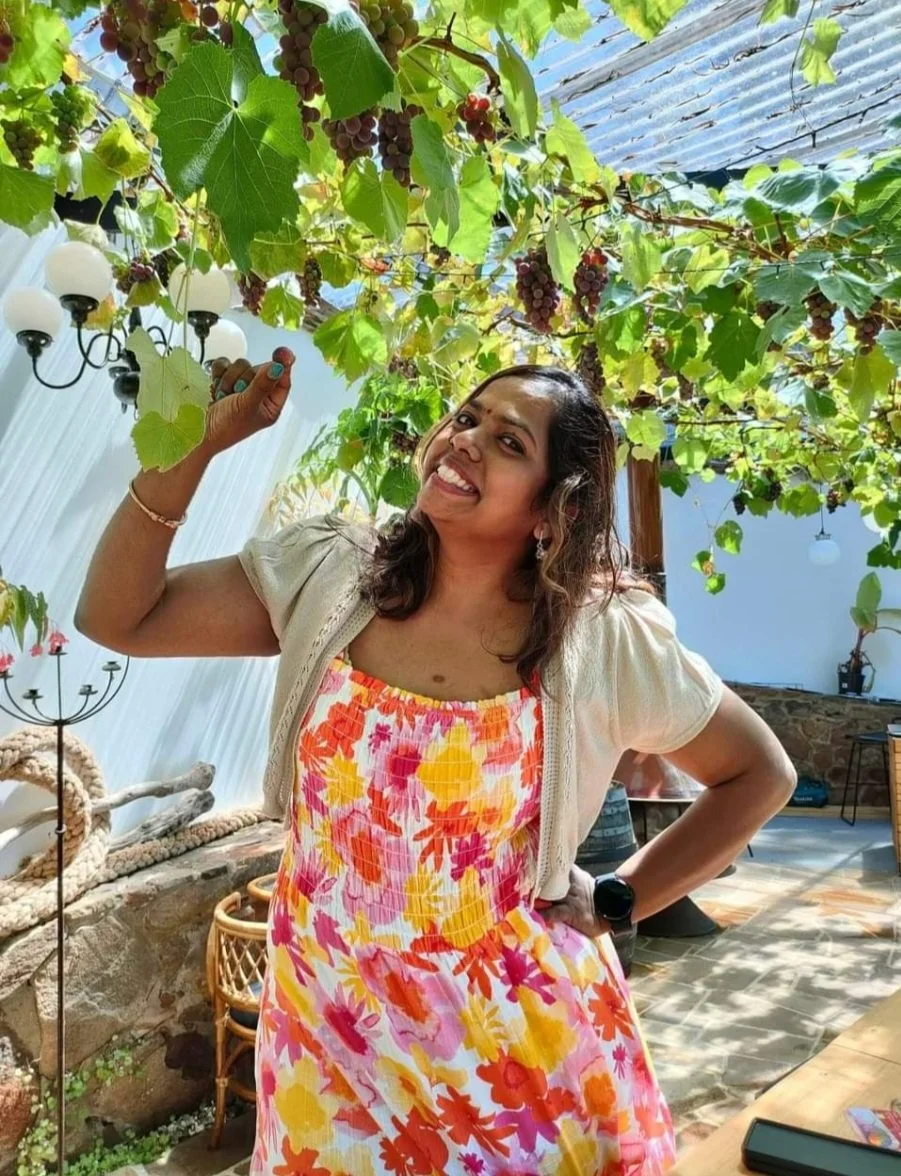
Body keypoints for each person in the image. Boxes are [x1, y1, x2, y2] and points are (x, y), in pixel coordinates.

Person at [76, 348, 796, 1176]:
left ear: (551, 509)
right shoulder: (332, 579)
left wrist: (622, 898)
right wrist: (191, 447)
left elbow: (758, 773)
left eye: (509, 443)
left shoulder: (599, 638)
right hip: (331, 1033)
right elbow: (118, 616)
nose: (465, 441)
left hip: (510, 1053)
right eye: (467, 419)